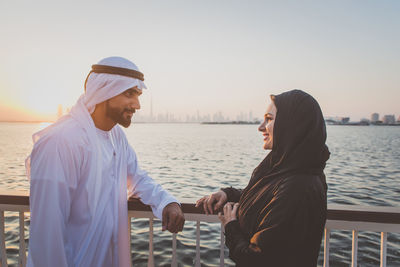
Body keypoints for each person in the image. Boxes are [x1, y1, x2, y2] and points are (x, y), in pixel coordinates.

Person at [25, 56, 185, 267]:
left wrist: (167, 202)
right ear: (104, 92)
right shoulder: (61, 142)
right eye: (129, 94)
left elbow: (136, 178)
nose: (136, 105)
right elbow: (47, 236)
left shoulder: (116, 136)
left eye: (138, 95)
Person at [196, 90, 330, 267]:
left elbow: (256, 258)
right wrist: (228, 194)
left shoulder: (298, 186)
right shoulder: (289, 171)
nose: (260, 127)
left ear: (291, 125)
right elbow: (268, 196)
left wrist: (231, 226)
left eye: (269, 119)